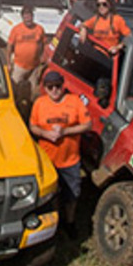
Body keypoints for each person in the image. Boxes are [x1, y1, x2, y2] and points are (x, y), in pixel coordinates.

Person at [30, 71, 91, 228]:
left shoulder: (75, 101)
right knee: (49, 195)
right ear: (45, 88)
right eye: (50, 87)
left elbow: (87, 125)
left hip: (70, 160)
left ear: (63, 86)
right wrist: (45, 134)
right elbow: (32, 126)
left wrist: (65, 132)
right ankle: (53, 223)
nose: (55, 90)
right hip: (48, 161)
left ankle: (69, 222)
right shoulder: (39, 103)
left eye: (58, 86)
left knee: (72, 195)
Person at [6, 6, 47, 113]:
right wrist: (9, 62)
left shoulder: (39, 29)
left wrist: (42, 59)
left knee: (33, 91)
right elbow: (9, 46)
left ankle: (29, 111)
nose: (28, 19)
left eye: (29, 16)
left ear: (32, 17)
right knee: (13, 87)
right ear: (22, 17)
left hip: (34, 66)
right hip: (19, 65)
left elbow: (43, 44)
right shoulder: (16, 29)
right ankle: (12, 108)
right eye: (25, 16)